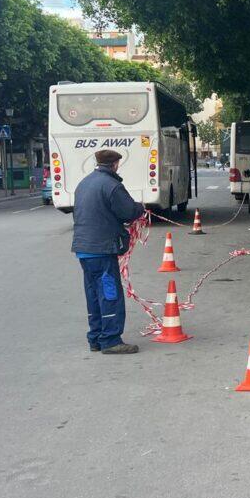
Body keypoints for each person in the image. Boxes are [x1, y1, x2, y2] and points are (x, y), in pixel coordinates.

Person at [71, 149, 146, 354]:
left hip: (84, 249)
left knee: (94, 294)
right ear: (115, 164)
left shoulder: (84, 183)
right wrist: (141, 208)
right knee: (110, 293)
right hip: (102, 248)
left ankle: (95, 338)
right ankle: (111, 340)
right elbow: (128, 211)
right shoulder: (112, 185)